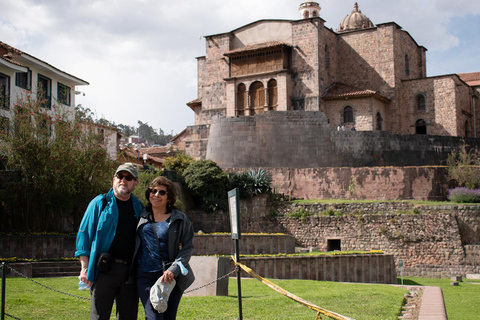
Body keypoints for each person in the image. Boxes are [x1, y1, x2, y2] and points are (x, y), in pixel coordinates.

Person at [75, 162, 144, 320]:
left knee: (128, 317)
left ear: (135, 183)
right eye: (120, 176)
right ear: (114, 179)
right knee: (99, 317)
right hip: (104, 270)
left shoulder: (138, 207)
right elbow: (84, 236)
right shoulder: (100, 203)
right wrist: (84, 268)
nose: (123, 180)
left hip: (129, 273)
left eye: (128, 178)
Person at [135, 176, 195, 320]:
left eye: (162, 192)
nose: (156, 195)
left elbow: (187, 247)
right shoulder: (141, 215)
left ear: (169, 198)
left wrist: (173, 269)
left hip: (169, 277)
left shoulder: (180, 219)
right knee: (153, 317)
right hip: (145, 275)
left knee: (168, 317)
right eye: (153, 191)